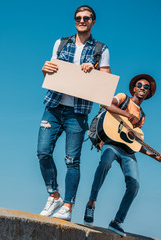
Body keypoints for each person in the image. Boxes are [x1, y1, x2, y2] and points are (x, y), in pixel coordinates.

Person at [37, 5, 111, 222]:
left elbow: (105, 82)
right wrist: (45, 69)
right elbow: (49, 69)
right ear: (75, 20)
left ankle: (68, 207)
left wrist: (94, 70)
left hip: (77, 113)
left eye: (86, 18)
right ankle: (54, 196)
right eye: (78, 17)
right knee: (42, 152)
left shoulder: (101, 49)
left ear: (93, 22)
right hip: (53, 106)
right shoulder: (61, 42)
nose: (82, 20)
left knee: (72, 161)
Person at [83, 74, 161, 236]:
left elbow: (134, 142)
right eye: (140, 85)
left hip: (127, 152)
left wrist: (153, 156)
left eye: (146, 87)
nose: (143, 88)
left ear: (149, 93)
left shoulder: (142, 117)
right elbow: (105, 103)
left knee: (134, 184)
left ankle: (117, 222)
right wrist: (128, 115)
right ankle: (91, 203)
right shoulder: (123, 98)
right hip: (111, 144)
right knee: (105, 162)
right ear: (134, 88)